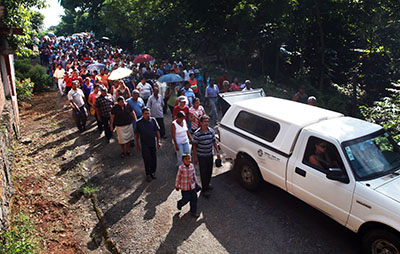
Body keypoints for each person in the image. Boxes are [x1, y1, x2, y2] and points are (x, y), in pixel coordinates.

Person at [192, 115, 221, 197]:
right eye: (204, 122)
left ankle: (207, 184)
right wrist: (195, 158)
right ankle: (204, 189)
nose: (206, 123)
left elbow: (214, 142)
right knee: (203, 172)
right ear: (200, 123)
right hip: (202, 156)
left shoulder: (211, 131)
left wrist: (218, 153)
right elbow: (194, 146)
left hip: (209, 155)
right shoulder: (197, 134)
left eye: (207, 121)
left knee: (209, 171)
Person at [135, 107, 161, 182]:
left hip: (153, 143)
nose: (147, 115)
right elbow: (137, 135)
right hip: (145, 144)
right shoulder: (139, 123)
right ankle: (148, 174)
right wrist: (137, 144)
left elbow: (157, 131)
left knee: (153, 159)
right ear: (142, 114)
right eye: (146, 114)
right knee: (147, 159)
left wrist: (158, 141)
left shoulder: (153, 120)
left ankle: (152, 172)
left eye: (148, 113)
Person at [175, 154, 200, 218]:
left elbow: (194, 175)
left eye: (189, 158)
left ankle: (193, 212)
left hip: (192, 187)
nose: (188, 160)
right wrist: (177, 185)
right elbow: (178, 177)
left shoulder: (192, 166)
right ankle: (180, 203)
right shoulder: (181, 168)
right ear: (183, 160)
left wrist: (196, 183)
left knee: (194, 199)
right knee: (186, 199)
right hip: (185, 188)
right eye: (186, 159)